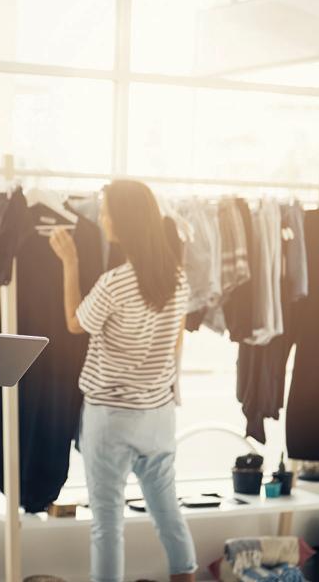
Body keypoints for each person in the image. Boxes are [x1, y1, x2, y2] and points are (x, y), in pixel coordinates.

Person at [49, 179, 197, 582]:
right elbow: (175, 342)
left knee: (107, 523)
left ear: (125, 221)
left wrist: (70, 261)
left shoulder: (115, 283)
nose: (103, 217)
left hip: (111, 415)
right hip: (158, 414)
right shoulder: (178, 279)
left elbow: (75, 323)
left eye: (108, 210)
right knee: (167, 512)